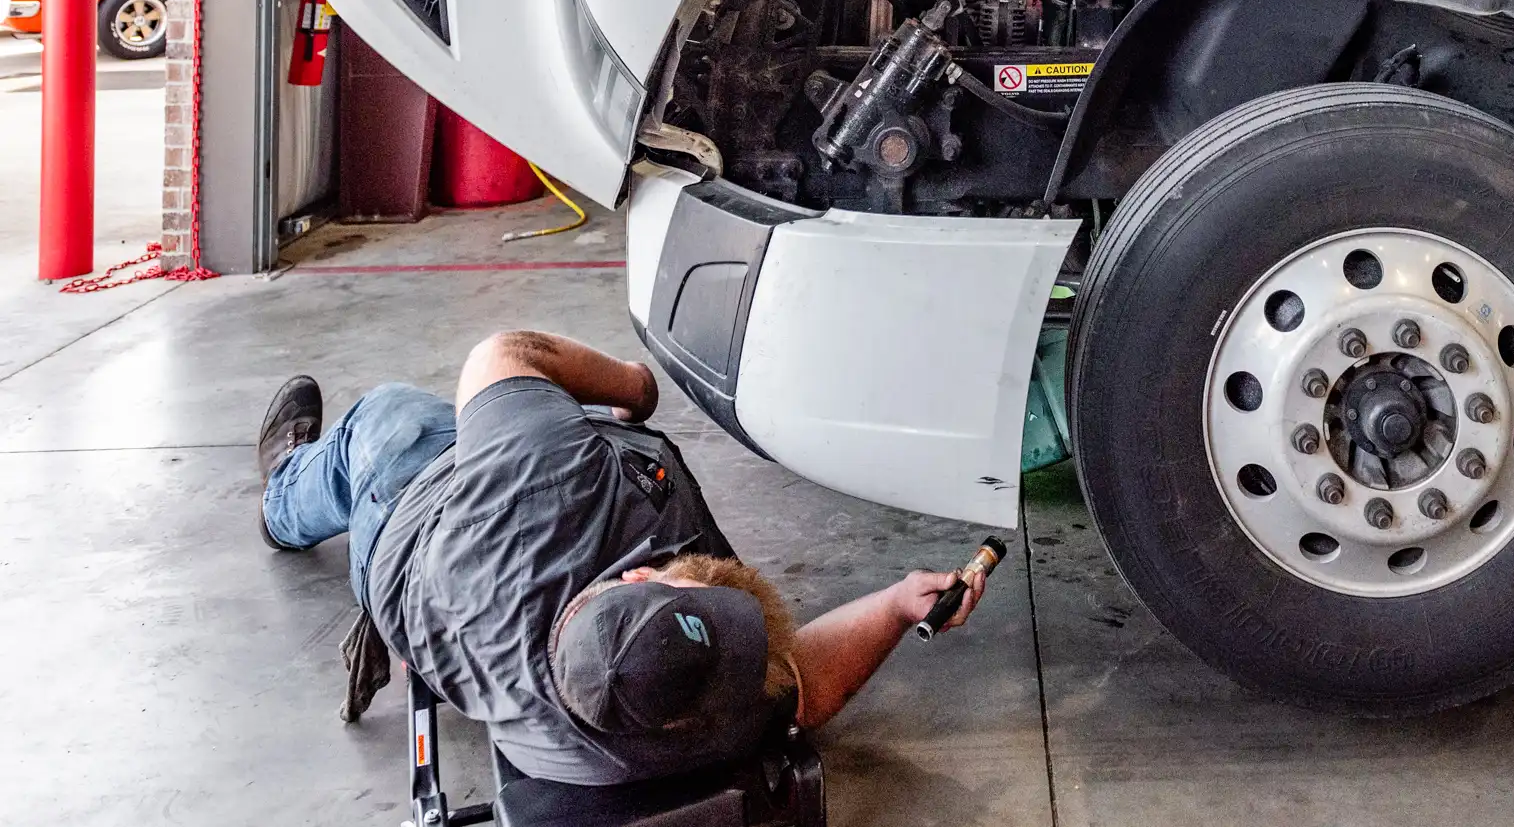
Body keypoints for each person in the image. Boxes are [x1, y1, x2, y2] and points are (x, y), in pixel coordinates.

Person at [254, 329, 986, 786]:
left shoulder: (540, 488)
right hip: (448, 555)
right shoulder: (689, 704)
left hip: (410, 524)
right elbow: (805, 685)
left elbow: (504, 356)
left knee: (390, 420)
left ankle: (282, 495)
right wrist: (896, 606)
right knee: (447, 426)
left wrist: (636, 384)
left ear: (632, 576)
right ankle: (291, 492)